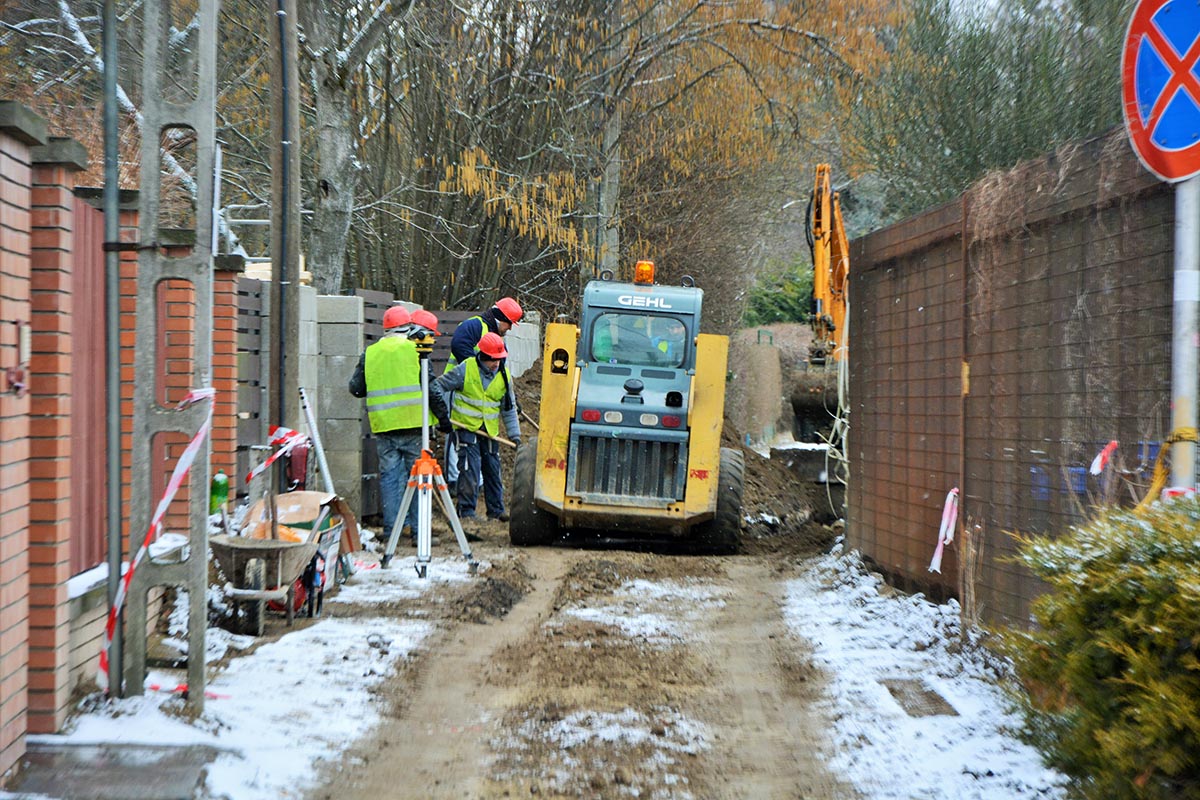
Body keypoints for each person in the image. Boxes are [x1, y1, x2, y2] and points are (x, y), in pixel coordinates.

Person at [348, 305, 440, 548]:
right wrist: (444, 419)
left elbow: (355, 388)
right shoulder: (416, 350)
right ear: (407, 327)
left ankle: (392, 533)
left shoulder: (371, 353)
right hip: (413, 427)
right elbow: (432, 388)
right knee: (420, 479)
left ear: (386, 329)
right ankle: (420, 534)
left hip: (384, 428)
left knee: (390, 479)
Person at [429, 332, 521, 535]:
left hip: (489, 431)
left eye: (499, 359)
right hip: (466, 428)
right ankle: (467, 511)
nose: (496, 364)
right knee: (470, 468)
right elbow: (439, 386)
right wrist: (441, 415)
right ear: (483, 356)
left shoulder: (504, 375)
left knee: (492, 469)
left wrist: (515, 435)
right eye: (492, 360)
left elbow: (509, 408)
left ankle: (496, 510)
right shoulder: (466, 369)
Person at [441, 296, 524, 498]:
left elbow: (500, 374)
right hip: (459, 389)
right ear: (500, 318)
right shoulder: (474, 326)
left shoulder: (496, 339)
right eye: (509, 324)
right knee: (457, 436)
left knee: (476, 445)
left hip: (478, 396)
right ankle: (453, 480)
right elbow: (459, 346)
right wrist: (476, 374)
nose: (510, 329)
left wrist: (512, 401)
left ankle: (474, 484)